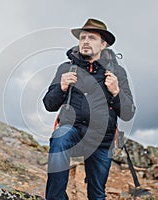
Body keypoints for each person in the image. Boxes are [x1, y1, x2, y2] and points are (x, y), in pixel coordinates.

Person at [43, 18, 136, 200]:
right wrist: (61, 87)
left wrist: (116, 92)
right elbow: (48, 104)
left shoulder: (117, 73)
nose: (85, 41)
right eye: (83, 37)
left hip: (102, 138)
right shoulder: (66, 68)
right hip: (72, 130)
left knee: (97, 193)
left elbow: (128, 113)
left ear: (103, 44)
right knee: (59, 139)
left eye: (91, 38)